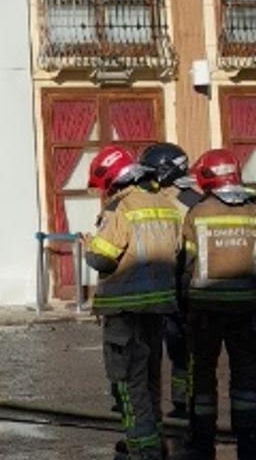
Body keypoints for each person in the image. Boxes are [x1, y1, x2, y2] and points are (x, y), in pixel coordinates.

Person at [82, 146, 182, 460]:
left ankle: (142, 447)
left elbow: (103, 258)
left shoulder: (119, 208)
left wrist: (88, 245)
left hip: (125, 312)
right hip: (158, 308)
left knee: (127, 383)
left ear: (113, 180)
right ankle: (155, 438)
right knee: (151, 379)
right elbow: (178, 252)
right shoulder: (165, 203)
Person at [181, 149, 256, 459]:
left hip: (205, 313)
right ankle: (249, 443)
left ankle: (202, 443)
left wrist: (182, 304)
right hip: (248, 311)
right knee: (247, 379)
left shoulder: (197, 213)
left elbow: (186, 264)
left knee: (202, 379)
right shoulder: (253, 211)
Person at [138, 142, 202, 420]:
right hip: (170, 285)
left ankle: (190, 404)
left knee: (188, 348)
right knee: (176, 348)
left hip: (186, 286)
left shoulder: (190, 202)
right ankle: (181, 401)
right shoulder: (177, 199)